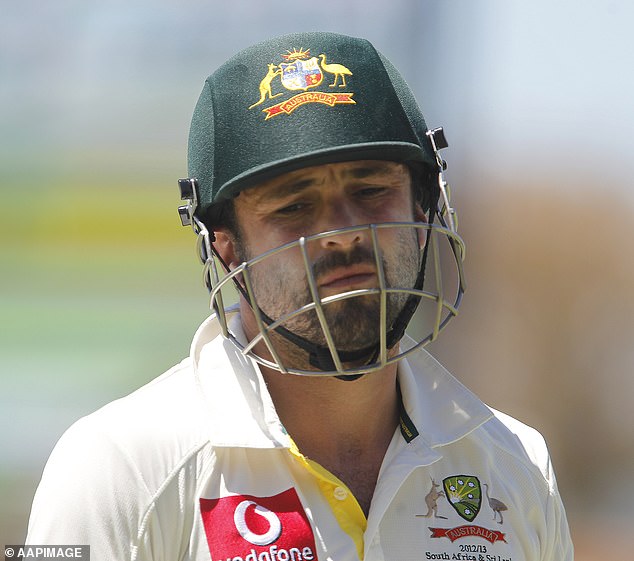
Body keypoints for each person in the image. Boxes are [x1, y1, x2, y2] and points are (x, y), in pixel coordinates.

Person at [26, 32, 573, 560]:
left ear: (424, 207)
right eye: (292, 206)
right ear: (226, 246)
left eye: (371, 190)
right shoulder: (116, 467)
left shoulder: (515, 464)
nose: (343, 232)